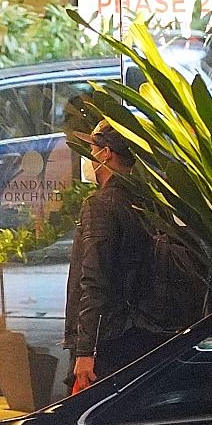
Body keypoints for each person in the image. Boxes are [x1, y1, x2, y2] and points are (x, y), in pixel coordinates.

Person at [65, 121, 168, 394]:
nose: (89, 158)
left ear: (106, 153)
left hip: (108, 343)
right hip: (144, 333)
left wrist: (85, 350)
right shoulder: (150, 202)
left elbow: (94, 278)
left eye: (92, 150)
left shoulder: (100, 205)